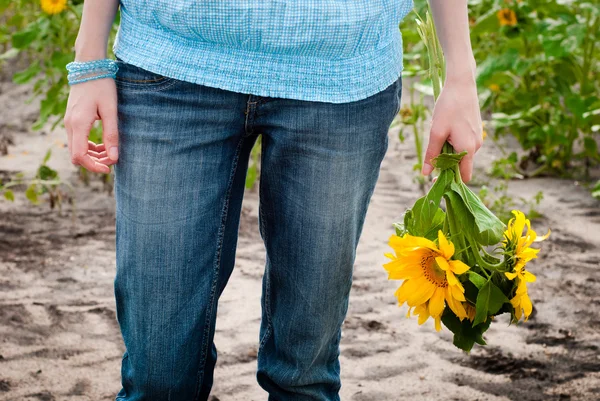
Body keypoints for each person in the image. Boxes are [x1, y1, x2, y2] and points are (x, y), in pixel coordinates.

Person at [64, 1, 482, 400]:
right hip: (173, 62)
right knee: (159, 379)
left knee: (304, 376)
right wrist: (89, 63)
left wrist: (460, 76)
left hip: (342, 75)